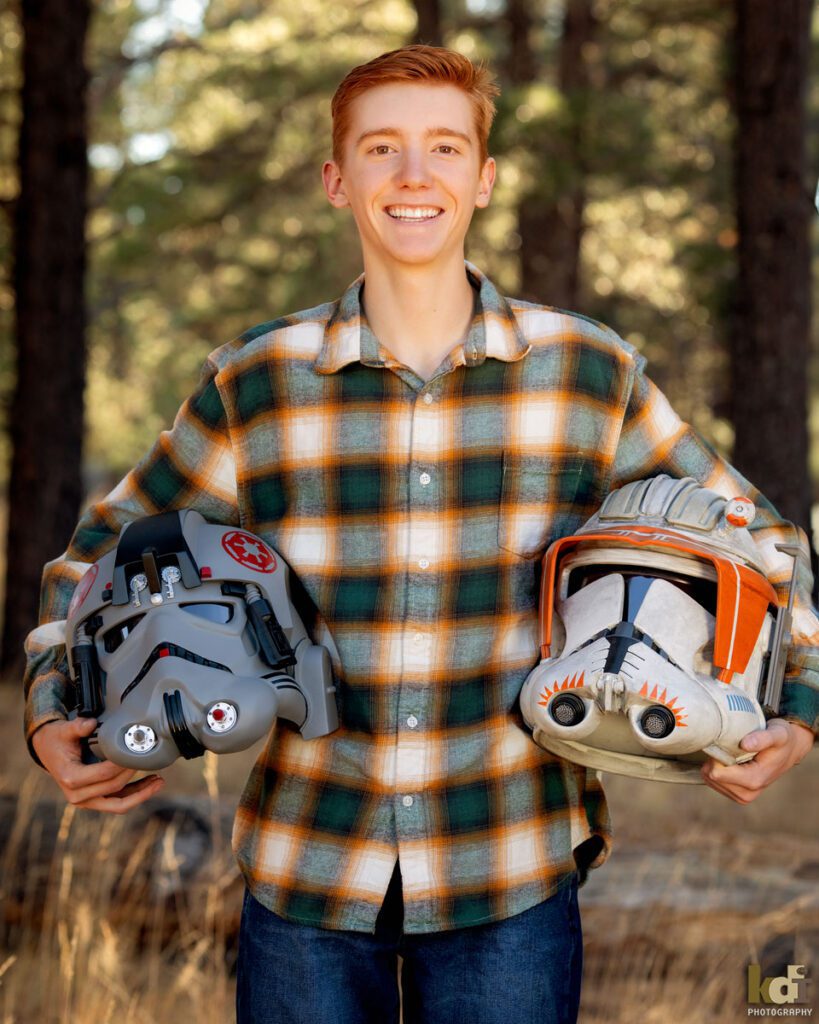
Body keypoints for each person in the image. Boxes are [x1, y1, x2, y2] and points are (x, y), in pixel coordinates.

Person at [23, 44, 816, 1024]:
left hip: (512, 869)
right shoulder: (256, 383)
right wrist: (55, 700)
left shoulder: (587, 373)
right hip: (306, 869)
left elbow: (764, 533)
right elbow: (98, 550)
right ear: (336, 178)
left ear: (483, 179)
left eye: (444, 148)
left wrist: (802, 703)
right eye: (381, 148)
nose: (413, 176)